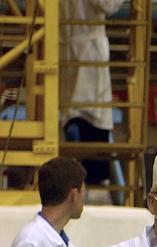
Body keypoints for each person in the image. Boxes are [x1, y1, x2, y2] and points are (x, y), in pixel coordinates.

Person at [60, 0, 125, 187]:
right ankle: (94, 179)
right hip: (89, 50)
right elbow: (108, 5)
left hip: (66, 47)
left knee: (74, 111)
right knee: (93, 115)